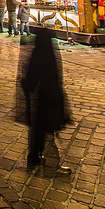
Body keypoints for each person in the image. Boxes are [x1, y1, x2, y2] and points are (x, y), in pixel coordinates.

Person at [17, 28, 72, 173]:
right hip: (49, 100)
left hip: (41, 100)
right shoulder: (49, 56)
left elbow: (30, 78)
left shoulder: (37, 55)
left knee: (39, 130)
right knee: (48, 132)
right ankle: (53, 165)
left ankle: (34, 157)